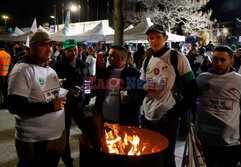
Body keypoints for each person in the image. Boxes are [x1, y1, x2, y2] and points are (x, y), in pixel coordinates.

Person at [140, 24, 198, 167]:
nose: (154, 41)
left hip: (167, 119)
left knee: (166, 158)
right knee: (148, 156)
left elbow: (193, 90)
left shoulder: (177, 58)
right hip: (147, 116)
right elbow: (140, 84)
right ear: (147, 40)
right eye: (151, 38)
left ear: (166, 38)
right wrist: (143, 87)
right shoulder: (147, 59)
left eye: (158, 37)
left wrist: (174, 113)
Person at [7, 31, 67, 167]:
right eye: (45, 45)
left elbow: (45, 95)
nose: (50, 50)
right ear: (32, 47)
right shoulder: (22, 71)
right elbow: (15, 106)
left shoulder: (49, 70)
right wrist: (51, 107)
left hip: (56, 137)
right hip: (35, 142)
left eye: (51, 46)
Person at [196, 46, 241, 167]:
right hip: (204, 141)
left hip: (230, 143)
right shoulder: (202, 79)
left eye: (222, 60)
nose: (218, 63)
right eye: (215, 59)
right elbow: (190, 100)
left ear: (231, 62)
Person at [51, 39, 90, 167]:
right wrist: (67, 91)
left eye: (74, 49)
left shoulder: (83, 64)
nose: (72, 53)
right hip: (64, 106)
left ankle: (89, 156)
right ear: (64, 51)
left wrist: (87, 94)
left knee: (89, 130)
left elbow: (89, 80)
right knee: (64, 135)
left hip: (80, 105)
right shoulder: (57, 66)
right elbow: (51, 88)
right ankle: (68, 161)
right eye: (69, 50)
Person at [92, 45, 142, 126]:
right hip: (105, 120)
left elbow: (142, 95)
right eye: (108, 55)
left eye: (112, 56)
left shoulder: (135, 74)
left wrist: (132, 98)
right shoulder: (104, 72)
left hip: (126, 121)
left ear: (122, 58)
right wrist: (87, 89)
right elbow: (94, 93)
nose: (108, 58)